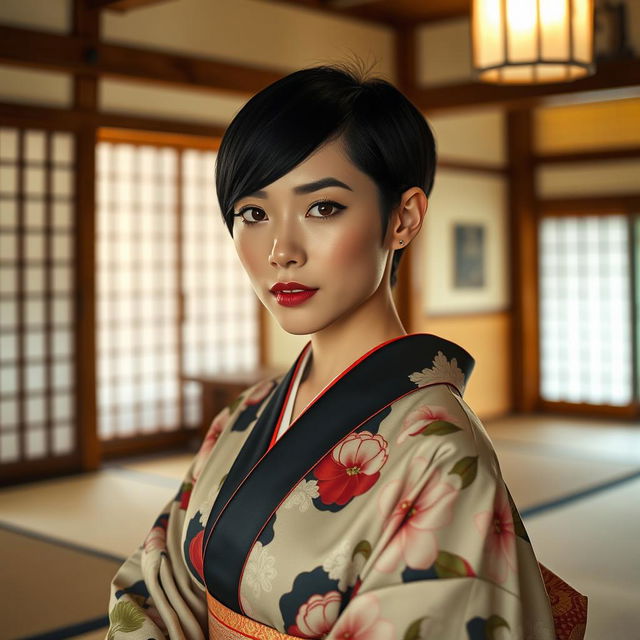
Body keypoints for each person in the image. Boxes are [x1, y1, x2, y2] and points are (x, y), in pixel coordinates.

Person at [107, 62, 587, 640]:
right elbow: (157, 575)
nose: (281, 250)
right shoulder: (247, 411)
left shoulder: (441, 454)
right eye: (253, 213)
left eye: (322, 207)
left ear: (402, 219)